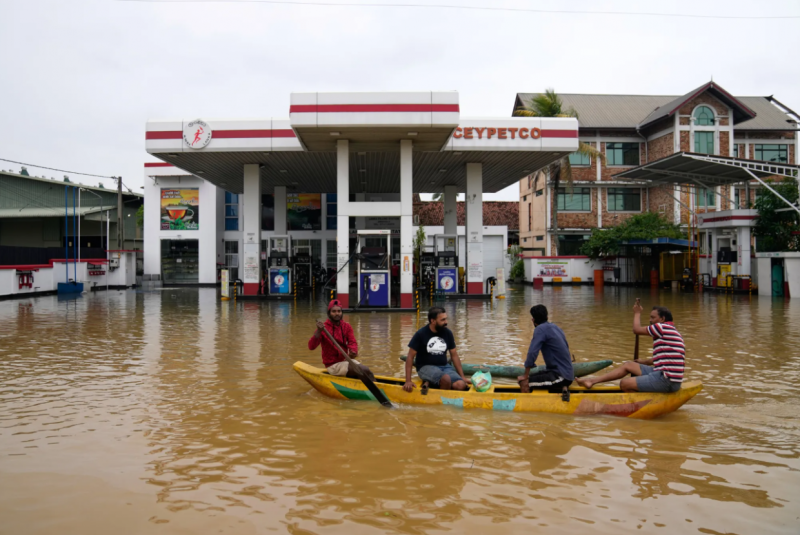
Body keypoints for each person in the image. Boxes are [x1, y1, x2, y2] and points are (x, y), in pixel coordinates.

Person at [576, 300, 684, 393]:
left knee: (624, 384)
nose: (650, 320)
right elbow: (663, 358)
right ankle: (591, 381)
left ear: (662, 319)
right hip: (664, 376)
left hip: (667, 381)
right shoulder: (670, 330)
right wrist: (644, 362)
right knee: (628, 365)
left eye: (652, 317)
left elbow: (636, 330)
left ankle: (641, 401)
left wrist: (637, 313)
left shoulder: (662, 327)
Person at [403, 307, 469, 392]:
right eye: (443, 320)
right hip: (425, 367)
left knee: (461, 385)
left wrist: (462, 376)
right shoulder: (420, 334)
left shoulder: (448, 333)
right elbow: (410, 357)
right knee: (446, 379)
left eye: (446, 319)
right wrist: (408, 381)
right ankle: (443, 400)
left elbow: (454, 355)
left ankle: (432, 384)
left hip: (444, 366)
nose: (446, 322)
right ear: (433, 321)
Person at [308, 299, 375, 381]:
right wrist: (318, 331)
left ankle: (378, 388)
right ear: (329, 313)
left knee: (368, 371)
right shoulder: (323, 328)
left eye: (339, 311)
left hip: (346, 361)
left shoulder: (346, 326)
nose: (337, 314)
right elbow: (311, 347)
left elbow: (352, 342)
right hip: (333, 365)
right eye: (334, 311)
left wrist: (353, 351)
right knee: (364, 370)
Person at [517, 305, 575, 393]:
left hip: (560, 376)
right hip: (567, 374)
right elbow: (566, 347)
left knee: (524, 382)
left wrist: (525, 376)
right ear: (547, 317)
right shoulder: (556, 327)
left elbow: (532, 353)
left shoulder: (540, 329)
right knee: (534, 376)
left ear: (533, 320)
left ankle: (527, 405)